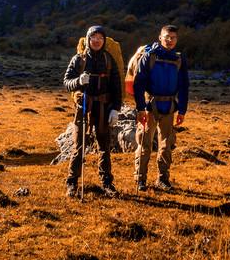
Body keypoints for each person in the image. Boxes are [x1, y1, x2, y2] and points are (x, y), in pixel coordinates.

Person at [62, 25, 122, 198]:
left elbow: (116, 87)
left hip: (104, 109)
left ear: (103, 41)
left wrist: (115, 110)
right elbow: (67, 82)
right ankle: (72, 182)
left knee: (104, 146)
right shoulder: (78, 60)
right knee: (78, 146)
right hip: (83, 109)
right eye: (93, 37)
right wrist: (79, 81)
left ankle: (107, 183)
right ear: (88, 39)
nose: (96, 40)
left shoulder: (109, 60)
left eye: (100, 38)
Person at [133, 24, 189, 192]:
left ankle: (162, 179)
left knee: (167, 145)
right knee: (145, 143)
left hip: (170, 107)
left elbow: (184, 86)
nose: (170, 40)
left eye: (173, 38)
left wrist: (182, 110)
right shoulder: (149, 56)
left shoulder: (179, 59)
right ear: (160, 38)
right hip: (150, 107)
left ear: (176, 40)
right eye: (167, 37)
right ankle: (140, 179)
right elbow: (138, 84)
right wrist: (140, 108)